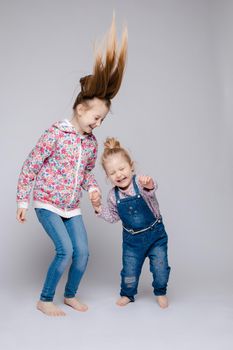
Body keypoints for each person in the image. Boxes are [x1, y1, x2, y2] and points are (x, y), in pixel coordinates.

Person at [16, 17, 128, 316]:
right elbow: (31, 163)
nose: (98, 123)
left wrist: (92, 189)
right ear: (80, 109)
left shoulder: (91, 143)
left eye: (103, 120)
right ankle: (44, 299)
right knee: (65, 251)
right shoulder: (57, 132)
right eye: (95, 117)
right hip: (47, 203)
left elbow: (87, 172)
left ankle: (70, 295)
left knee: (83, 253)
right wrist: (22, 199)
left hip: (70, 205)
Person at [92, 138, 171, 308]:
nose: (119, 175)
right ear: (108, 176)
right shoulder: (113, 196)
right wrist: (98, 208)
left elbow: (152, 189)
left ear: (131, 166)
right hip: (132, 241)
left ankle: (160, 291)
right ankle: (128, 294)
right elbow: (113, 217)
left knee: (160, 267)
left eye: (122, 169)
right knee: (129, 270)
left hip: (155, 235)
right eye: (112, 173)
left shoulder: (140, 184)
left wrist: (149, 184)